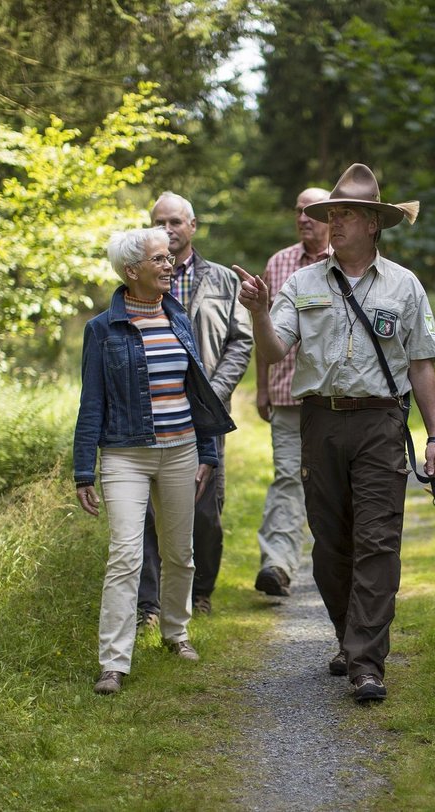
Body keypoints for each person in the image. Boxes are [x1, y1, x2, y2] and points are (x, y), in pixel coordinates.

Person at [233, 163, 435, 703]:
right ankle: (349, 637)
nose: (334, 223)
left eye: (346, 214)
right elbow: (276, 349)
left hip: (380, 421)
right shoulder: (303, 282)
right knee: (331, 544)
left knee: (378, 540)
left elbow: (421, 363)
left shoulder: (404, 284)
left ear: (374, 223)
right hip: (320, 420)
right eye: (331, 214)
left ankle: (368, 663)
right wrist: (259, 312)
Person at [73, 226, 235, 695]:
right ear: (132, 271)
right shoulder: (101, 330)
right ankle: (114, 662)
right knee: (125, 555)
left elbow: (197, 390)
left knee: (179, 552)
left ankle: (175, 632)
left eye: (169, 259)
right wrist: (84, 469)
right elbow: (92, 404)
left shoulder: (177, 317)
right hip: (124, 456)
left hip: (182, 450)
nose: (169, 266)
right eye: (159, 260)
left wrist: (208, 453)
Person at [137, 192, 253, 626]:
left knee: (205, 508)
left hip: (205, 411)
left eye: (174, 221)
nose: (167, 229)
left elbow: (241, 341)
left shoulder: (223, 280)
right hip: (152, 409)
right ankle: (149, 604)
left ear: (192, 226)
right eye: (158, 223)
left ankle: (200, 592)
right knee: (149, 510)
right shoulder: (141, 277)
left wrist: (215, 391)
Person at [253, 186, 331, 598]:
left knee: (328, 483)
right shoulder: (279, 263)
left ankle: (333, 564)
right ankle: (278, 565)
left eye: (312, 212)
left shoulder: (346, 262)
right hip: (285, 397)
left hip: (331, 400)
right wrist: (261, 389)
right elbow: (261, 328)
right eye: (298, 211)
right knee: (287, 477)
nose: (303, 219)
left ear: (332, 217)